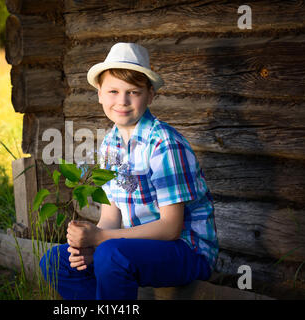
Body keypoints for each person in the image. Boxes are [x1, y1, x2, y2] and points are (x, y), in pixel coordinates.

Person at [39, 42, 218, 300]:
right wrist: (90, 242)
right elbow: (111, 217)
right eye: (113, 91)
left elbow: (170, 228)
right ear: (99, 93)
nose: (121, 101)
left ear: (150, 95)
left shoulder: (163, 143)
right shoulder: (110, 143)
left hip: (186, 250)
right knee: (57, 260)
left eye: (133, 92)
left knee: (111, 254)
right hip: (133, 248)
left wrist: (101, 239)